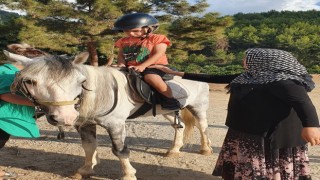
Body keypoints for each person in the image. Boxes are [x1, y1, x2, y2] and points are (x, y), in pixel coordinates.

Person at [151, 48, 320, 179]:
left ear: (264, 61)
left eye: (247, 58)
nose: (244, 61)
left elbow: (303, 103)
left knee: (266, 161)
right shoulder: (250, 76)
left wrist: (311, 126)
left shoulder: (285, 81)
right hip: (245, 129)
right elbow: (215, 78)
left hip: (267, 134)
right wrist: (177, 73)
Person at [112, 13, 181, 110]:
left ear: (148, 28)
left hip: (154, 66)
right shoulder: (123, 41)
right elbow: (121, 55)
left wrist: (143, 66)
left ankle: (170, 100)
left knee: (151, 78)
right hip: (131, 67)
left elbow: (159, 53)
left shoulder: (157, 38)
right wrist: (121, 64)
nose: (130, 33)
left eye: (135, 31)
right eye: (127, 31)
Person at [0, 44, 42, 179]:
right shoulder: (8, 72)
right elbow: (5, 95)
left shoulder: (14, 72)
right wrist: (36, 103)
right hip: (3, 116)